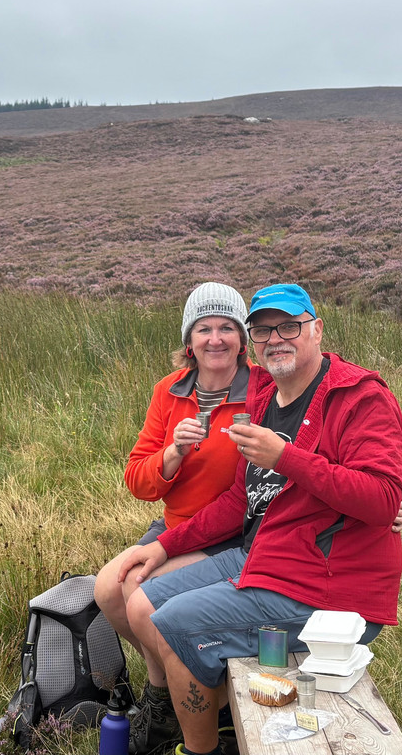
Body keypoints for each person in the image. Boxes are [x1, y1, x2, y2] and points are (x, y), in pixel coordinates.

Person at [118, 283, 402, 755]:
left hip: (326, 585)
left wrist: (287, 457)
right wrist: (164, 545)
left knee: (175, 623)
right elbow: (240, 500)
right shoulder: (267, 398)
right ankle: (206, 717)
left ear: (316, 329)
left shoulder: (360, 398)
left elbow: (381, 498)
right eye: (264, 330)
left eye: (289, 326)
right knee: (143, 602)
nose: (277, 338)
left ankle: (201, 749)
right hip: (268, 554)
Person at [95, 282, 254, 690]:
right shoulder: (169, 390)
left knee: (137, 590)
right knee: (107, 590)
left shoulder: (262, 390)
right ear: (189, 340)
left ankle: (163, 694)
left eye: (227, 328)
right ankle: (176, 684)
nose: (215, 339)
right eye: (204, 329)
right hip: (176, 524)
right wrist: (172, 455)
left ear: (242, 339)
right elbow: (137, 480)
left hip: (228, 532)